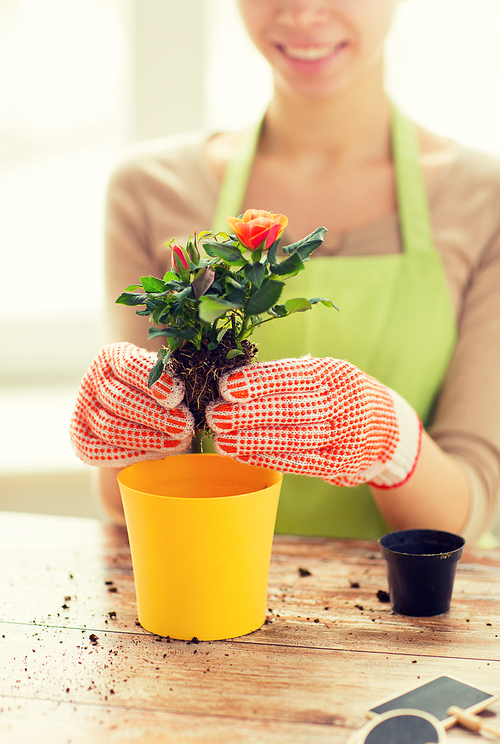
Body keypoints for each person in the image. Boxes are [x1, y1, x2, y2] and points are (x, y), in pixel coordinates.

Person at [71, 0, 500, 544]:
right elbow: (120, 500)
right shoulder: (149, 189)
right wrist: (121, 419)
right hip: (205, 582)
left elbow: (470, 510)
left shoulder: (485, 200)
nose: (301, 12)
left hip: (405, 612)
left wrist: (389, 439)